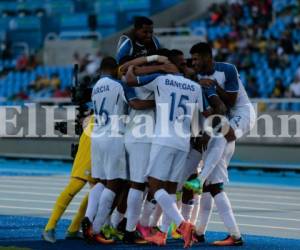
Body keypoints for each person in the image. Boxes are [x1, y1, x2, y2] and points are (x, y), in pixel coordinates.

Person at [124, 50, 213, 247]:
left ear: (168, 64)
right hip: (183, 143)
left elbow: (130, 79)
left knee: (154, 187)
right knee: (172, 189)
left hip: (163, 140)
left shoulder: (161, 79)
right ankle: (162, 233)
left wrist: (132, 67)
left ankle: (182, 224)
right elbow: (208, 112)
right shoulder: (194, 86)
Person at [185, 42, 256, 246]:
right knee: (213, 187)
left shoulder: (227, 69)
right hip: (222, 122)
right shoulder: (198, 79)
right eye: (193, 60)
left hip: (242, 114)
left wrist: (214, 86)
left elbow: (231, 103)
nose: (195, 63)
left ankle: (200, 178)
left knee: (225, 135)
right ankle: (200, 231)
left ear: (208, 57)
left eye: (197, 59)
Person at [81, 57, 154, 244]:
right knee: (114, 184)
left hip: (97, 136)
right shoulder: (118, 84)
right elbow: (136, 103)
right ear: (115, 69)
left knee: (100, 182)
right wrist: (158, 103)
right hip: (114, 136)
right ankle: (96, 229)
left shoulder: (96, 86)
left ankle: (88, 218)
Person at [42, 116, 96, 243]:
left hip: (109, 135)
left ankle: (74, 228)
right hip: (96, 133)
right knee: (76, 184)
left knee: (97, 188)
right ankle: (49, 227)